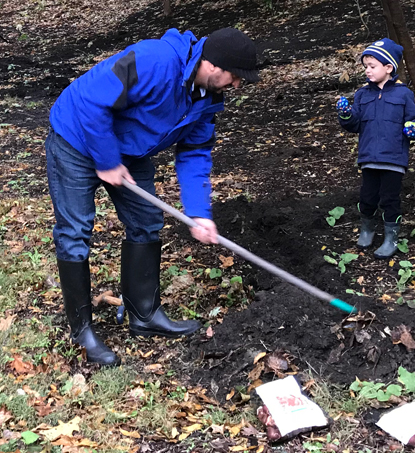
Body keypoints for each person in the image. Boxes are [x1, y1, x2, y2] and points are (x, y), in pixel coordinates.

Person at [45, 27, 260, 366]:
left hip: (129, 151)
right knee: (75, 232)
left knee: (147, 222)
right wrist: (106, 160)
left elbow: (195, 154)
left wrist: (200, 213)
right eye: (235, 77)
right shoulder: (154, 61)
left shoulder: (205, 100)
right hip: (75, 138)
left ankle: (143, 315)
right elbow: (91, 101)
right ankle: (81, 330)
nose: (236, 86)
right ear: (214, 64)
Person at [336, 38, 415, 259]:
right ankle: (367, 229)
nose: (367, 71)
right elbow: (354, 124)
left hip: (394, 159)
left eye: (372, 66)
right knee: (367, 196)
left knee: (389, 199)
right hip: (369, 157)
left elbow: (414, 121)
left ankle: (390, 237)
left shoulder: (403, 94)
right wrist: (346, 115)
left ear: (388, 67)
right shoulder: (362, 94)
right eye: (365, 66)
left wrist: (414, 129)